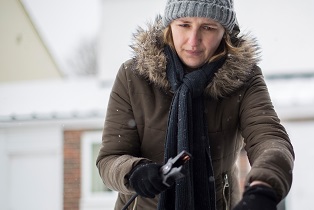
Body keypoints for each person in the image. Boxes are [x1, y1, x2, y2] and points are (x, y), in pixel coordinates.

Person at [96, 0, 295, 209]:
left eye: (208, 28)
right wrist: (134, 171)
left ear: (224, 32)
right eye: (184, 25)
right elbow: (110, 159)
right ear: (169, 25)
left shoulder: (245, 78)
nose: (193, 41)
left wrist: (263, 188)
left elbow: (269, 139)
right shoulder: (132, 76)